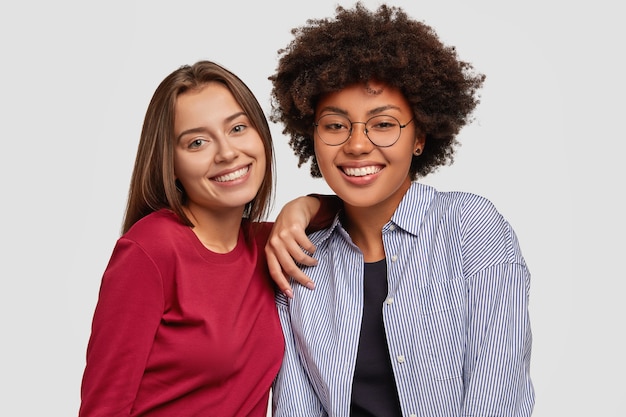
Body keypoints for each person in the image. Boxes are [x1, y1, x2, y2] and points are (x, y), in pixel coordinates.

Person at [266, 3, 535, 416]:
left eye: (384, 124)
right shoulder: (301, 257)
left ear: (419, 137)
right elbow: (296, 407)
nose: (356, 145)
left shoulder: (472, 229)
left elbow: (498, 392)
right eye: (336, 125)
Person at [79, 60, 336, 416]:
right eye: (197, 142)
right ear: (170, 163)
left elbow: (351, 210)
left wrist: (303, 207)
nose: (227, 153)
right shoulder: (151, 250)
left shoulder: (267, 244)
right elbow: (103, 408)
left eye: (237, 128)